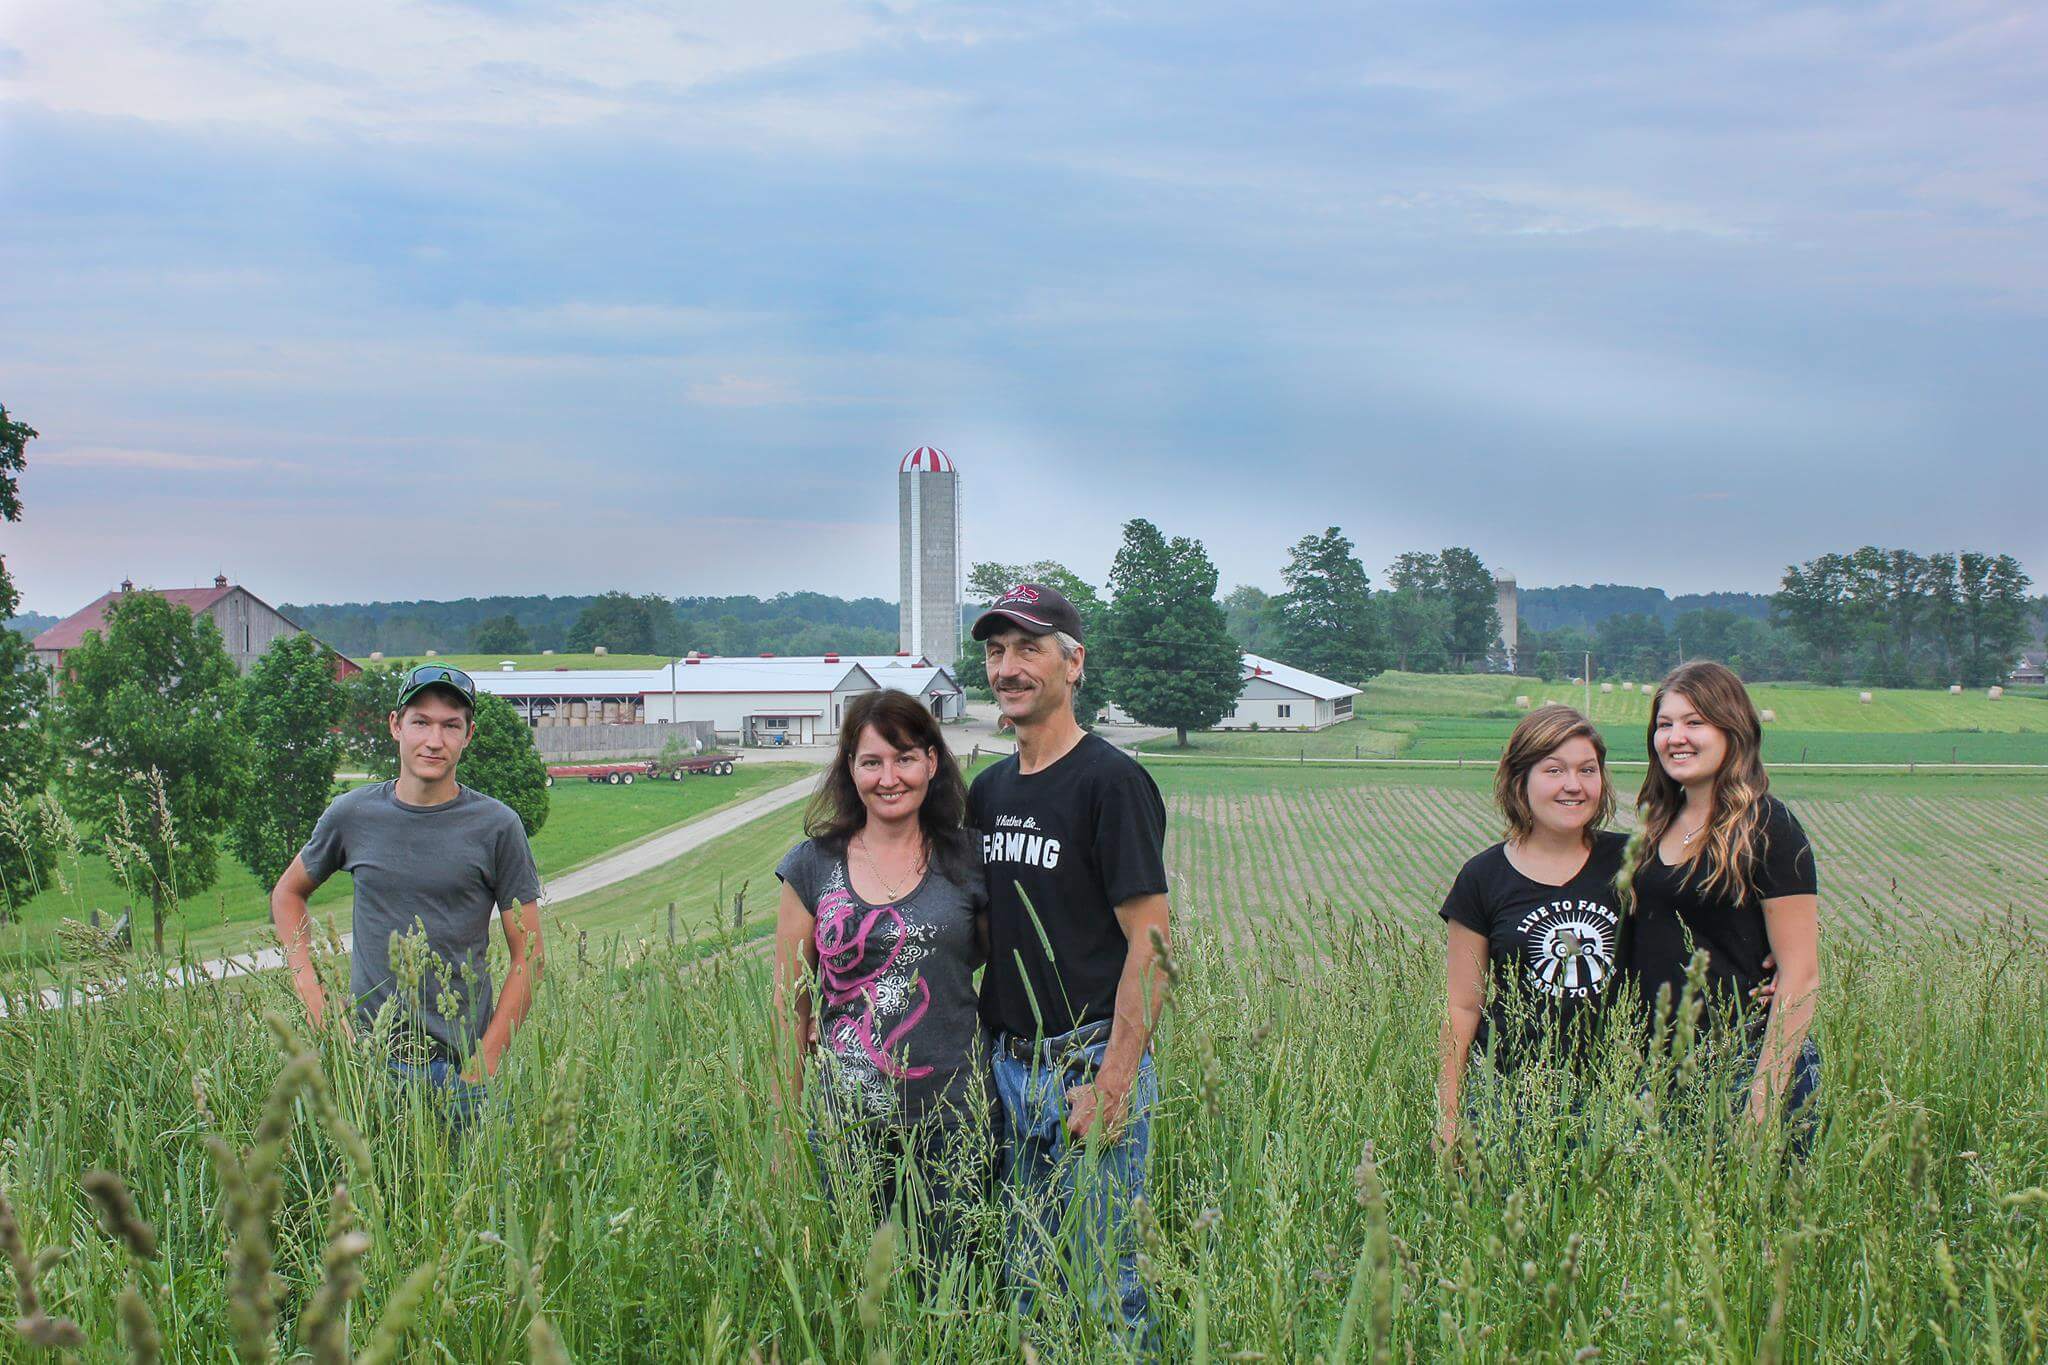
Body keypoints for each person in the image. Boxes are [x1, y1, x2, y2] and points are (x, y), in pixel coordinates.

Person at [971, 582, 1171, 1347]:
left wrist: (1113, 1083)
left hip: (1087, 1063)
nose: (1008, 667)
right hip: (1006, 1069)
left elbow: (1150, 949)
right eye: (995, 651)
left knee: (1106, 1288)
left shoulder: (1109, 783)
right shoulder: (987, 791)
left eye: (1028, 647)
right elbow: (983, 936)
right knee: (1022, 1283)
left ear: (1073, 662)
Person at [270, 664, 544, 1128]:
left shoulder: (498, 826)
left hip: (462, 1070)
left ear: (468, 735)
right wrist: (317, 1003)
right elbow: (288, 894)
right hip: (369, 1063)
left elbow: (530, 955)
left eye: (450, 725)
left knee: (471, 1197)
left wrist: (485, 1063)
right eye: (421, 722)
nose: (434, 740)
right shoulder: (352, 815)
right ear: (396, 725)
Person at [771, 690, 992, 1261]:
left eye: (905, 759)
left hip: (956, 1119)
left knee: (954, 1285)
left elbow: (1012, 975)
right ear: (851, 770)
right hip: (845, 1125)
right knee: (853, 1283)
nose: (889, 778)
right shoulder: (811, 866)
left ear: (932, 763)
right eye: (872, 762)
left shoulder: (969, 860)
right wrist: (784, 1132)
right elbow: (788, 1008)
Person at [1619, 660, 1821, 1138]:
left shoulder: (1768, 827)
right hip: (1660, 1068)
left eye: (1695, 722)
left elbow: (1802, 974)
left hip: (1741, 1063)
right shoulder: (1655, 825)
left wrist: (1762, 1099)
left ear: (1733, 730)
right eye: (1664, 724)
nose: (1676, 737)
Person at [1437, 705, 1626, 1152]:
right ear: (1519, 780)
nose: (1573, 785)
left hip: (1619, 1096)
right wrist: (1447, 1119)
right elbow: (1463, 1008)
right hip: (1510, 1098)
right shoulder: (1482, 878)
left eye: (1587, 770)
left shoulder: (1634, 862)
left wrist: (1767, 966)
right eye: (1554, 770)